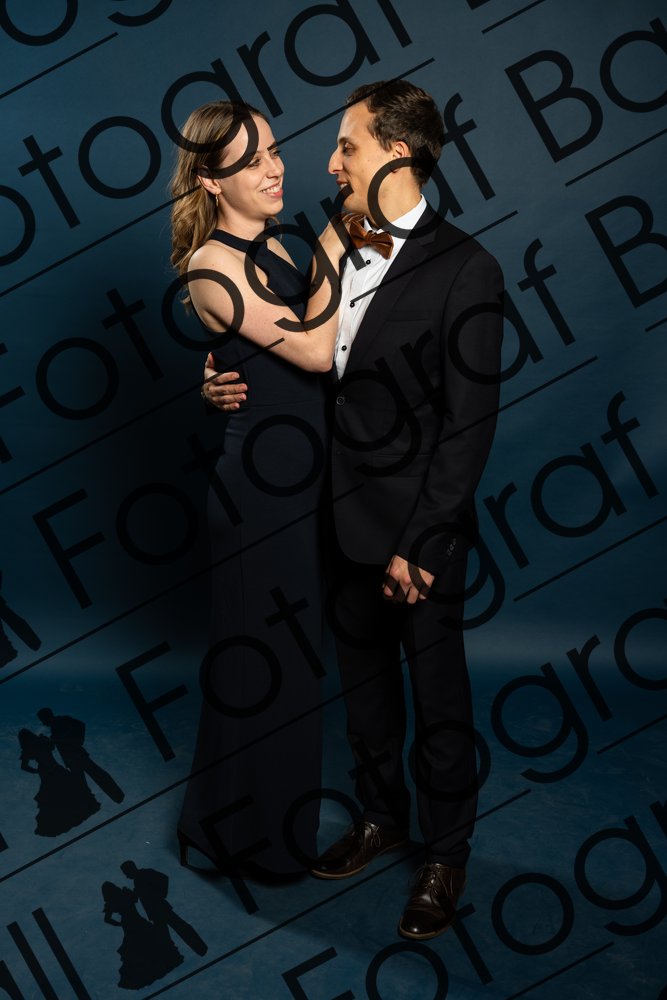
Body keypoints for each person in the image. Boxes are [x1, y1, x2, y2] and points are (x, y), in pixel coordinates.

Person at [205, 79, 504, 939]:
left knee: (438, 701)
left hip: (417, 535)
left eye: (347, 146)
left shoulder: (468, 269)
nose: (329, 163)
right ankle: (380, 817)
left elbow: (468, 426)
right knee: (365, 693)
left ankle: (445, 855)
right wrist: (213, 378)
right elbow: (284, 346)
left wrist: (424, 543)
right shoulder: (328, 240)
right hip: (332, 517)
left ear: (396, 154)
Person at [171, 100, 347, 880]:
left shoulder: (279, 245)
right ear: (211, 181)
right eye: (249, 161)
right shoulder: (210, 265)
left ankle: (228, 825)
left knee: (290, 663)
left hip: (304, 483)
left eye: (272, 150)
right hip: (259, 498)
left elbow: (319, 347)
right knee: (265, 665)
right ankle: (252, 843)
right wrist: (336, 243)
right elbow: (312, 352)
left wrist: (214, 373)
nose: (273, 169)